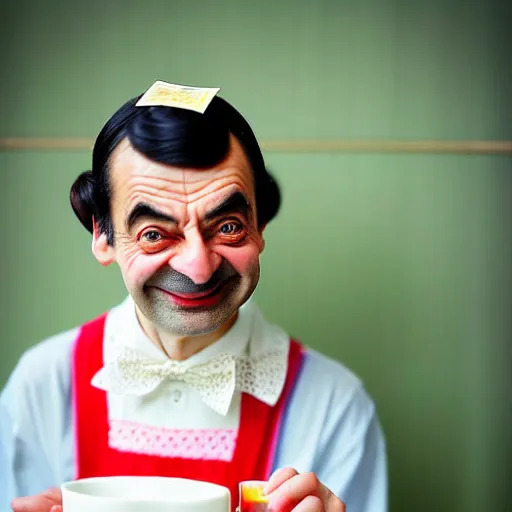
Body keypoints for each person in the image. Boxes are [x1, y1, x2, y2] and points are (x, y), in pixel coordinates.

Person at [0, 81, 387, 512]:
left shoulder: (334, 405)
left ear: (259, 225)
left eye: (227, 227)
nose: (198, 267)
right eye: (154, 234)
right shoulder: (41, 388)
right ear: (103, 234)